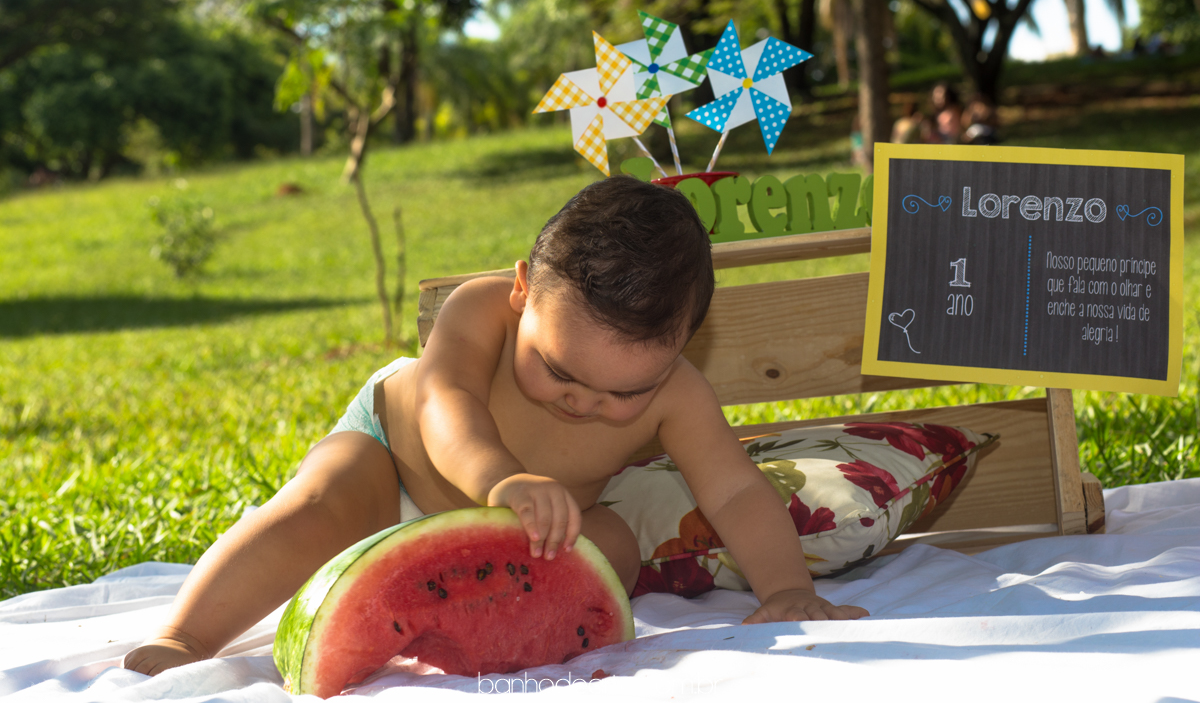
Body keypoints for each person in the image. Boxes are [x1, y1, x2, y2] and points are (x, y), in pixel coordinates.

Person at [124, 176, 868, 677]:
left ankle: (479, 638)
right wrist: (499, 479)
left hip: (526, 528)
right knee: (318, 507)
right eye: (558, 370)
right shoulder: (479, 308)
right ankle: (187, 633)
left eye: (624, 394)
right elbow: (446, 405)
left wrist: (786, 587)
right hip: (395, 465)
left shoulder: (679, 392)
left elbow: (736, 492)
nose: (583, 404)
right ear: (520, 291)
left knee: (612, 548)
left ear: (679, 351)